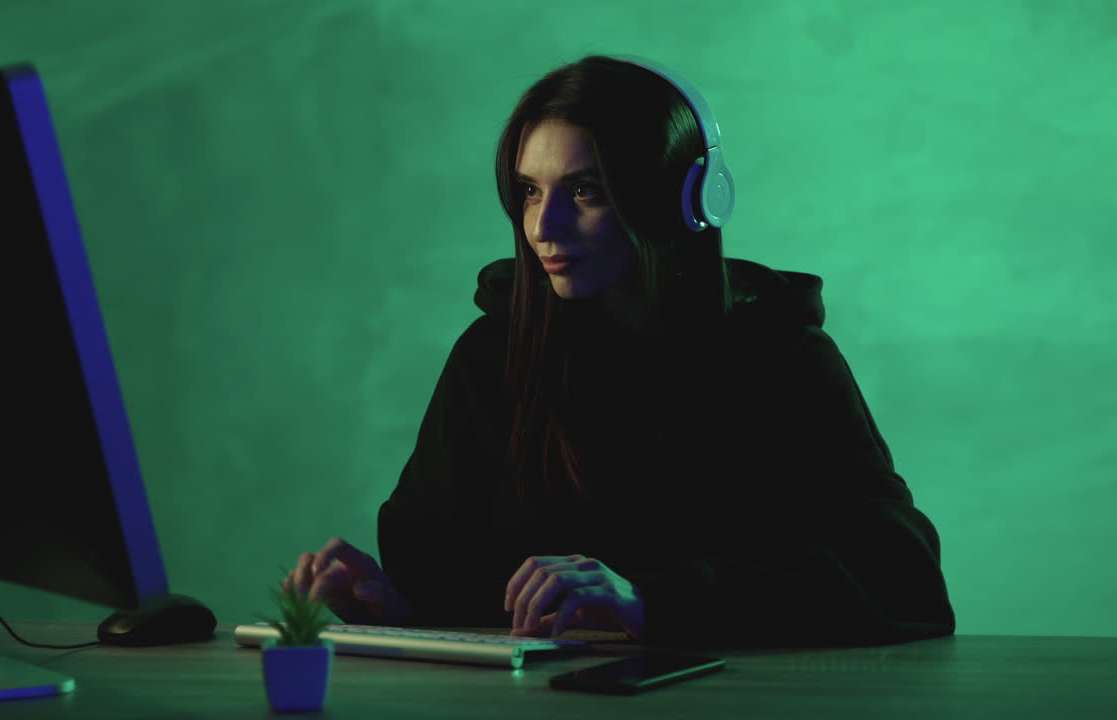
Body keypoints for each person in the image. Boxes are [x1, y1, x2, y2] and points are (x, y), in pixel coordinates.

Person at [283, 54, 956, 647]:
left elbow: (902, 580)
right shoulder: (492, 355)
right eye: (529, 191)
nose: (543, 226)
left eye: (586, 191)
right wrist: (391, 607)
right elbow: (448, 583)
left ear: (682, 200)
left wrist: (648, 604)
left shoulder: (783, 358)